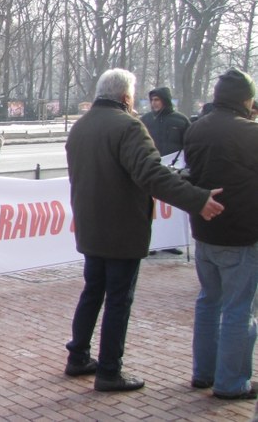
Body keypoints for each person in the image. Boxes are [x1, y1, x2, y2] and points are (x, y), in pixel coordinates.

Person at [64, 68, 223, 393]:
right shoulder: (129, 126)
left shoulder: (81, 126)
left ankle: (78, 355)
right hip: (122, 227)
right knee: (118, 300)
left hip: (91, 226)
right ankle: (109, 370)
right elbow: (151, 175)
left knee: (93, 292)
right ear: (125, 97)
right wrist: (197, 199)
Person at [184, 69, 258, 401]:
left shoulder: (196, 128)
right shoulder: (249, 132)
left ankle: (204, 373)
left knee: (208, 302)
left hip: (204, 229)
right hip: (242, 233)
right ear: (246, 99)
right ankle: (231, 382)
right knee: (239, 309)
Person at [141, 86, 190, 157]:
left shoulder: (181, 120)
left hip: (175, 163)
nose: (153, 103)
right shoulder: (145, 119)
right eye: (152, 100)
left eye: (156, 100)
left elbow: (190, 144)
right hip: (151, 162)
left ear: (165, 100)